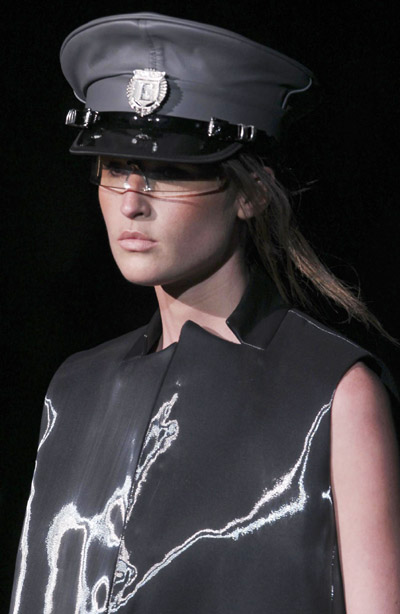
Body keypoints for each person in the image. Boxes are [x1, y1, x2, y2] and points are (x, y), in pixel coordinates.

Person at [9, 12, 400, 614]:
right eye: (115, 166)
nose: (132, 202)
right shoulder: (74, 390)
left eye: (170, 170)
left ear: (252, 193)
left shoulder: (332, 395)